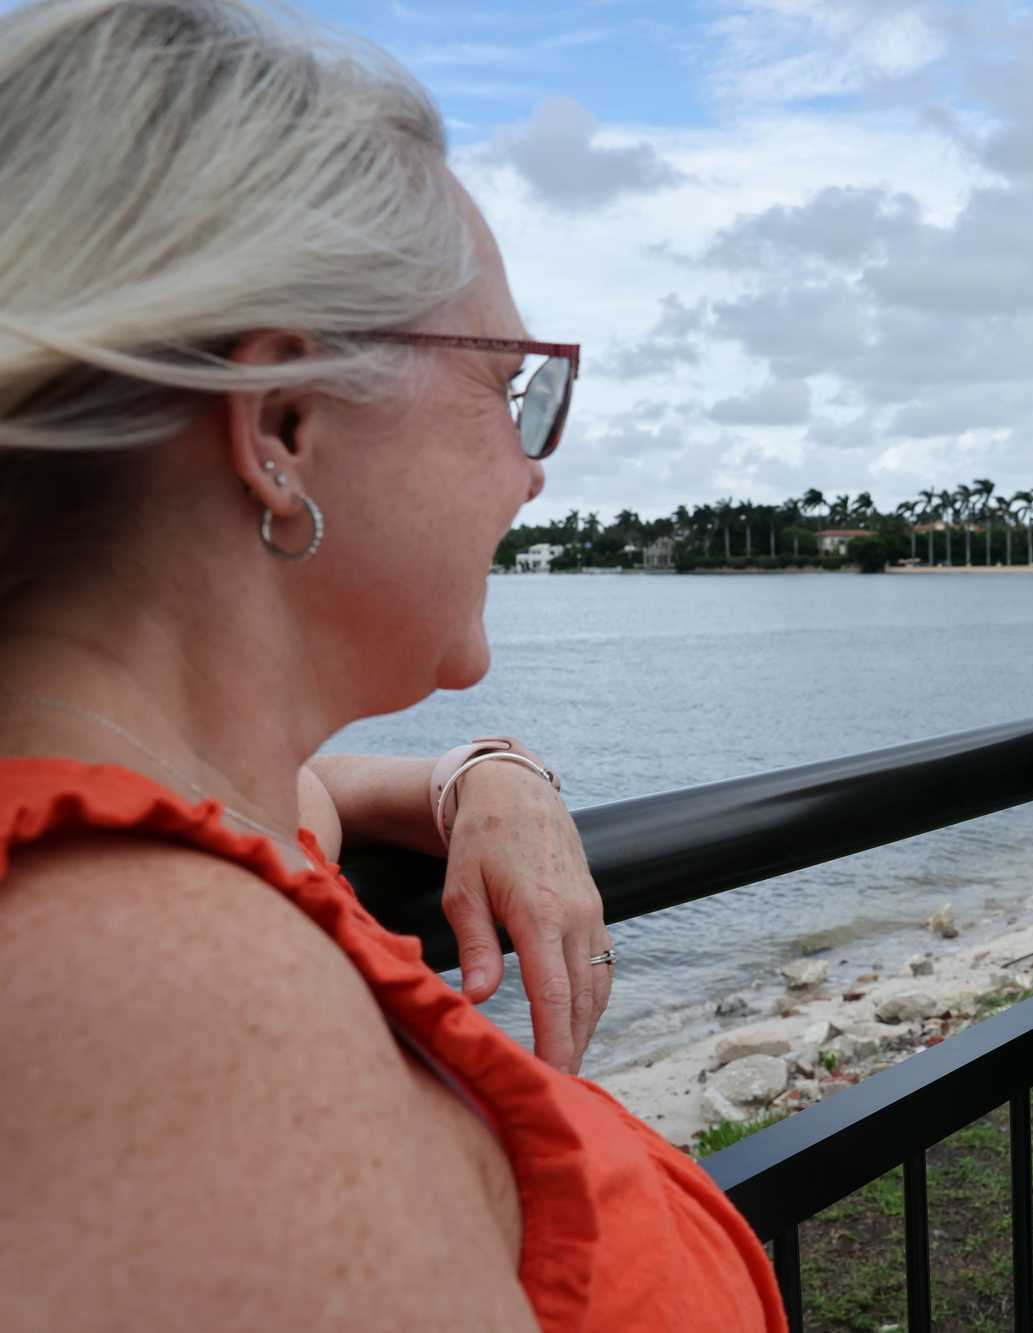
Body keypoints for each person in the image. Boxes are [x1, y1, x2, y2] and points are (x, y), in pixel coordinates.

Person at [0, 2, 783, 1328]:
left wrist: (482, 774)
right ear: (284, 423)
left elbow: (305, 795)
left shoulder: (192, 818)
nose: (534, 470)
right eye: (512, 385)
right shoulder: (169, 1010)